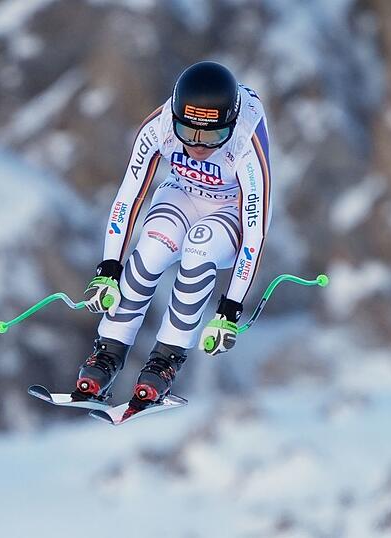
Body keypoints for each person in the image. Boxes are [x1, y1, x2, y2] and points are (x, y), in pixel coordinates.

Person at [74, 60, 272, 407]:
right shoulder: (160, 125)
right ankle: (107, 353)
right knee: (150, 250)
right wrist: (108, 270)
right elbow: (129, 197)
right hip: (180, 193)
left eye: (211, 136)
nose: (197, 145)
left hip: (228, 211)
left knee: (199, 250)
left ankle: (164, 362)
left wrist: (229, 311)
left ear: (230, 125)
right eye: (188, 132)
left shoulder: (245, 139)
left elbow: (255, 233)